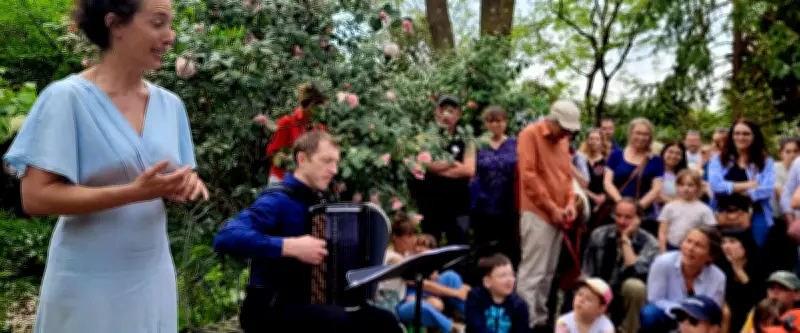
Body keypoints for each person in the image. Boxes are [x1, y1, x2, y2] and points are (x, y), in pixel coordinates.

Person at [2, 0, 209, 331]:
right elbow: (36, 197)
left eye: (170, 24)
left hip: (152, 272)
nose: (170, 36)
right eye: (158, 23)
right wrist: (133, 193)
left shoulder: (171, 106)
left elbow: (176, 176)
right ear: (115, 24)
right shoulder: (66, 98)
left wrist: (186, 184)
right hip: (88, 279)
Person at [213, 132, 403, 333]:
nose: (334, 170)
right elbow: (225, 237)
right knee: (350, 323)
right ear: (302, 159)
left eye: (336, 163)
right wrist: (288, 246)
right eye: (327, 161)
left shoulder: (318, 203)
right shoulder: (277, 200)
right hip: (269, 308)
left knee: (384, 320)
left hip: (307, 307)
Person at [516, 100, 581, 332]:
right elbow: (529, 176)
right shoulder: (530, 134)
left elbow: (567, 177)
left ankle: (539, 319)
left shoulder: (563, 141)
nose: (566, 134)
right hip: (537, 212)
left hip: (558, 214)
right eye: (564, 128)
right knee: (533, 271)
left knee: (548, 272)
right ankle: (524, 320)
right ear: (551, 121)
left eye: (570, 130)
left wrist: (570, 203)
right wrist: (552, 208)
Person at [582, 198, 658, 333]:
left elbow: (635, 271)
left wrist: (625, 239)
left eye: (628, 217)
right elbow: (588, 272)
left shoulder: (649, 243)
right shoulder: (599, 235)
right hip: (601, 290)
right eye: (618, 216)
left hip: (626, 297)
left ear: (638, 219)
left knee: (635, 287)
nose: (622, 221)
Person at [410, 95, 476, 247]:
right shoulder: (424, 138)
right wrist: (453, 163)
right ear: (436, 113)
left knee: (459, 249)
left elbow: (469, 170)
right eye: (442, 110)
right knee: (430, 249)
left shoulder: (467, 140)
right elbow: (422, 165)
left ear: (458, 114)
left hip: (459, 206)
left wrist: (435, 167)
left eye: (451, 111)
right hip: (431, 206)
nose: (446, 115)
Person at [640, 226, 726, 333]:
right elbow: (655, 299)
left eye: (698, 245)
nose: (690, 248)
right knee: (649, 313)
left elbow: (711, 312)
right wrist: (682, 310)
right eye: (688, 241)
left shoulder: (718, 277)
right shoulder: (662, 263)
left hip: (696, 322)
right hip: (667, 315)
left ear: (711, 256)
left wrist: (691, 316)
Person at [708, 118, 775, 247]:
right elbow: (715, 186)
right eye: (737, 133)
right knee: (720, 248)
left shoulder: (765, 161)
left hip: (755, 212)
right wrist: (748, 185)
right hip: (722, 211)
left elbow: (767, 190)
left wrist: (731, 189)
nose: (741, 137)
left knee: (756, 247)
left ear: (754, 136)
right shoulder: (719, 159)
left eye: (746, 134)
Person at [470, 105, 520, 268]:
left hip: (508, 203)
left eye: (499, 121)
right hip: (483, 204)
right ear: (485, 124)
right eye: (491, 121)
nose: (495, 125)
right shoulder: (477, 144)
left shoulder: (515, 144)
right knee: (482, 247)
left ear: (505, 122)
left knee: (509, 246)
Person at [602, 118, 665, 235]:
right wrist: (622, 205)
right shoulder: (616, 155)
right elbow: (607, 183)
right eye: (638, 133)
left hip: (643, 216)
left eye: (645, 134)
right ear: (630, 134)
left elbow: (656, 189)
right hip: (616, 212)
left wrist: (637, 209)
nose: (641, 137)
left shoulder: (656, 161)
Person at [265, 83, 328, 184]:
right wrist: (286, 159)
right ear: (310, 105)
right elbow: (272, 153)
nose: (321, 112)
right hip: (282, 179)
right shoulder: (287, 122)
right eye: (318, 108)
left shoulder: (320, 127)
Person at [465, 253, 529, 333]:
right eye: (503, 276)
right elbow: (476, 327)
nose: (509, 280)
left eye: (512, 275)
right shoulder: (476, 298)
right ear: (487, 282)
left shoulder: (519, 305)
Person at [657, 170, 717, 252]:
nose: (686, 188)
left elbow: (711, 233)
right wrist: (663, 251)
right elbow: (662, 232)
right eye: (681, 185)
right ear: (676, 187)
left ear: (698, 188)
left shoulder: (705, 210)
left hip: (694, 249)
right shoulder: (669, 207)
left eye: (690, 185)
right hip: (671, 247)